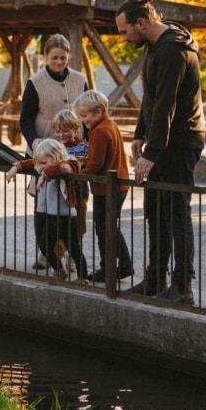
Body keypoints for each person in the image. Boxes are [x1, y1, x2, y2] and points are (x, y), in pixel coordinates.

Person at [115, 0, 205, 304]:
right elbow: (150, 99)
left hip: (181, 141)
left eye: (125, 32)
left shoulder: (173, 51)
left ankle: (182, 287)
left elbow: (167, 104)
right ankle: (155, 278)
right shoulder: (155, 48)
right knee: (155, 210)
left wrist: (151, 154)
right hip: (162, 141)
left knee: (177, 212)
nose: (124, 39)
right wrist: (141, 135)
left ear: (141, 23)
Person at [45, 90, 133, 283]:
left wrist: (74, 175)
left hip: (107, 187)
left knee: (104, 229)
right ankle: (122, 265)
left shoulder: (100, 131)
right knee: (110, 227)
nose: (83, 121)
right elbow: (96, 158)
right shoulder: (110, 125)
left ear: (98, 112)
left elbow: (95, 165)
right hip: (118, 184)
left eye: (85, 116)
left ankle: (110, 268)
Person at [19, 34, 88, 270]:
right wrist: (35, 141)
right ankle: (46, 252)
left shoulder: (80, 80)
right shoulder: (35, 82)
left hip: (74, 152)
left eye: (63, 58)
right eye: (54, 58)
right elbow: (25, 119)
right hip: (44, 150)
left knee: (74, 203)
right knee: (44, 206)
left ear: (69, 56)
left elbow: (87, 114)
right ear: (46, 57)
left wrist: (87, 146)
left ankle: (71, 251)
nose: (59, 62)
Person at [6, 109, 90, 276]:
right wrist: (16, 167)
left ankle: (83, 276)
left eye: (65, 130)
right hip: (48, 211)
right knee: (45, 244)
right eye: (58, 131)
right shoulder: (49, 154)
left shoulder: (72, 157)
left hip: (67, 210)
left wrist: (47, 173)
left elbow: (66, 166)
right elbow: (33, 162)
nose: (61, 134)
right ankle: (59, 269)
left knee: (73, 245)